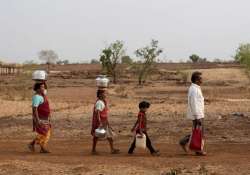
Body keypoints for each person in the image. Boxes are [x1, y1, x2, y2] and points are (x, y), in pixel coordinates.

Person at [179, 71, 206, 156]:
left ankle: (184, 142)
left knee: (197, 131)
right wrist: (197, 117)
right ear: (196, 80)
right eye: (201, 78)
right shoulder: (194, 89)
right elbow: (193, 103)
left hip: (198, 113)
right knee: (198, 131)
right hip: (197, 114)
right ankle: (198, 150)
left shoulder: (196, 88)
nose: (202, 80)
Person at [91, 89, 120, 155]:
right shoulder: (99, 103)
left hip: (104, 121)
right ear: (100, 94)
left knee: (108, 136)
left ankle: (112, 149)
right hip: (102, 122)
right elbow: (98, 112)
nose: (105, 95)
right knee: (97, 136)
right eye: (104, 93)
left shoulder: (102, 102)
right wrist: (100, 122)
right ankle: (93, 150)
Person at [28, 82, 52, 153]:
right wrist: (37, 119)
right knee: (45, 132)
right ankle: (32, 144)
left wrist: (43, 81)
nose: (43, 88)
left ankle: (41, 148)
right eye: (41, 87)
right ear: (37, 89)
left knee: (43, 132)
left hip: (45, 118)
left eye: (43, 87)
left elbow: (46, 88)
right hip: (40, 118)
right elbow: (35, 108)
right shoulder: (37, 97)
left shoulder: (42, 95)